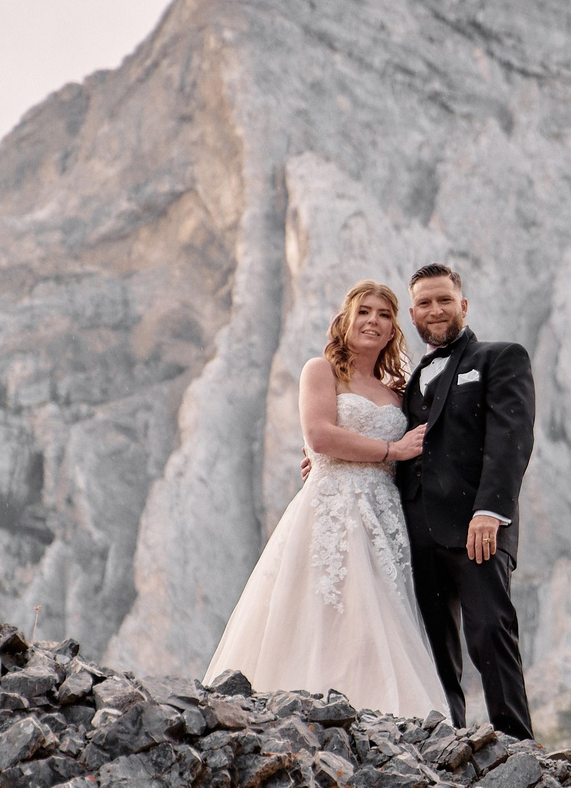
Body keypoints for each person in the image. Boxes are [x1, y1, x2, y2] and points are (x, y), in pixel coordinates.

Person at [202, 280, 450, 718]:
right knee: (326, 607)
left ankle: (382, 718)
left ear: (394, 329)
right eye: (365, 312)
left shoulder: (398, 391)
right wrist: (388, 450)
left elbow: (417, 449)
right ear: (346, 320)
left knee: (379, 619)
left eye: (385, 314)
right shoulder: (321, 371)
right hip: (332, 507)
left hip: (384, 513)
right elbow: (319, 435)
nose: (374, 321)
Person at [394, 263, 538, 738]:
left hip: (477, 528)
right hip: (414, 531)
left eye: (444, 300)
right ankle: (449, 745)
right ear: (412, 314)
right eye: (425, 303)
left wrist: (489, 512)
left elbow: (510, 439)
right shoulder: (408, 380)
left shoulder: (501, 357)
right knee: (433, 647)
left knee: (491, 633)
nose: (435, 310)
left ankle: (519, 749)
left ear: (463, 305)